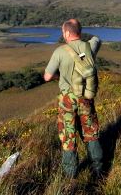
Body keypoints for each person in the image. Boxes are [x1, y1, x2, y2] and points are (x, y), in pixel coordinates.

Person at [43, 18, 103, 178]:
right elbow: (97, 40)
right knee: (91, 131)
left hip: (67, 99)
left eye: (63, 32)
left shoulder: (60, 51)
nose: (63, 34)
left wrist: (61, 76)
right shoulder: (89, 47)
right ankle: (97, 170)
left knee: (68, 134)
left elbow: (47, 76)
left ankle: (70, 175)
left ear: (68, 33)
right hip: (86, 96)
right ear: (80, 32)